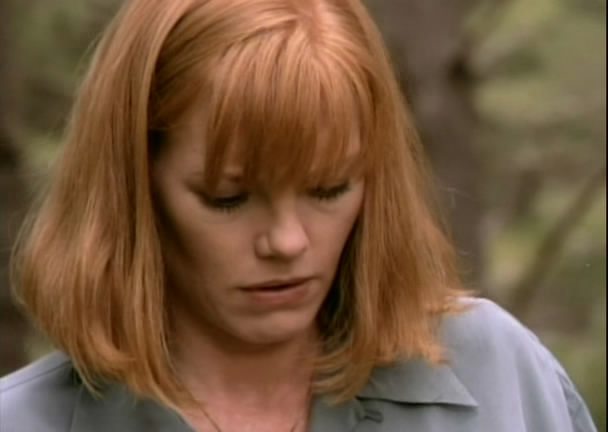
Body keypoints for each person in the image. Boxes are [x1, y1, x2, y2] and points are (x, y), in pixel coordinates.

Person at [0, 0, 597, 431]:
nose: (287, 241)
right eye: (228, 198)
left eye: (328, 189)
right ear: (135, 186)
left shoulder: (499, 375)